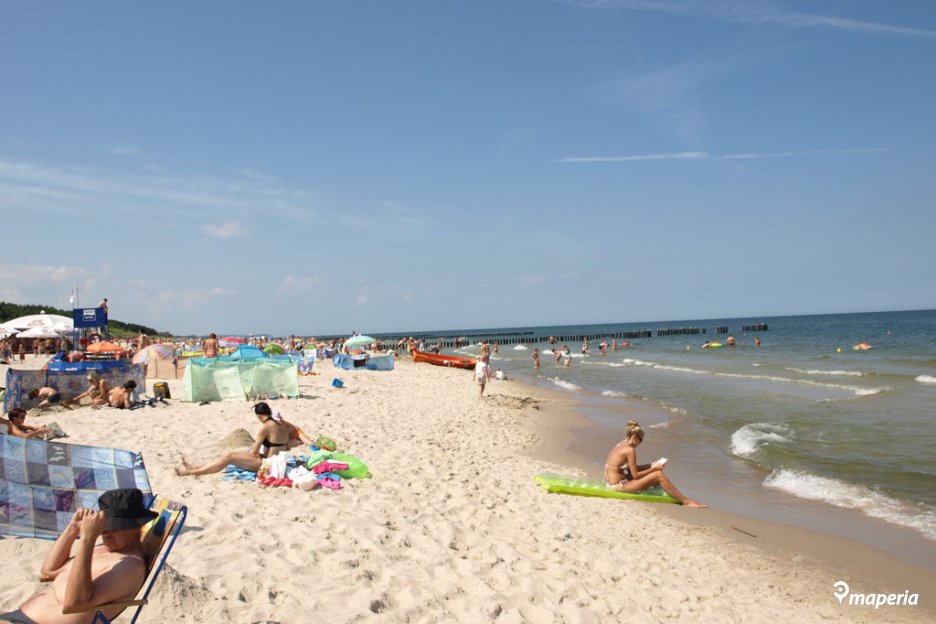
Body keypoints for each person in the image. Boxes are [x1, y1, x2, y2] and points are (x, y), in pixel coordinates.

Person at [1, 488, 154, 624]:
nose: (105, 532)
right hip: (18, 616)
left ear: (136, 525)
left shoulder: (130, 566)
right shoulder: (103, 549)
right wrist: (73, 527)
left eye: (114, 527)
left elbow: (74, 604)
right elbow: (48, 570)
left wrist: (88, 539)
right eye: (103, 526)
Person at [604, 420, 705, 508]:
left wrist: (651, 465)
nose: (640, 443)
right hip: (618, 486)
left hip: (615, 481)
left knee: (653, 474)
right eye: (641, 440)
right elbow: (635, 475)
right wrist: (655, 469)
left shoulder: (622, 444)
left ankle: (665, 488)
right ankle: (686, 501)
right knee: (658, 475)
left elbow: (631, 470)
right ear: (635, 437)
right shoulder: (630, 450)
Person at [175, 402, 289, 476]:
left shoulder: (266, 427)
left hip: (268, 465)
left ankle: (192, 472)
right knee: (228, 455)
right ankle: (195, 467)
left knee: (229, 457)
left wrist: (247, 453)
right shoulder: (282, 425)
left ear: (259, 416)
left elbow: (254, 453)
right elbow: (287, 446)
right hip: (279, 462)